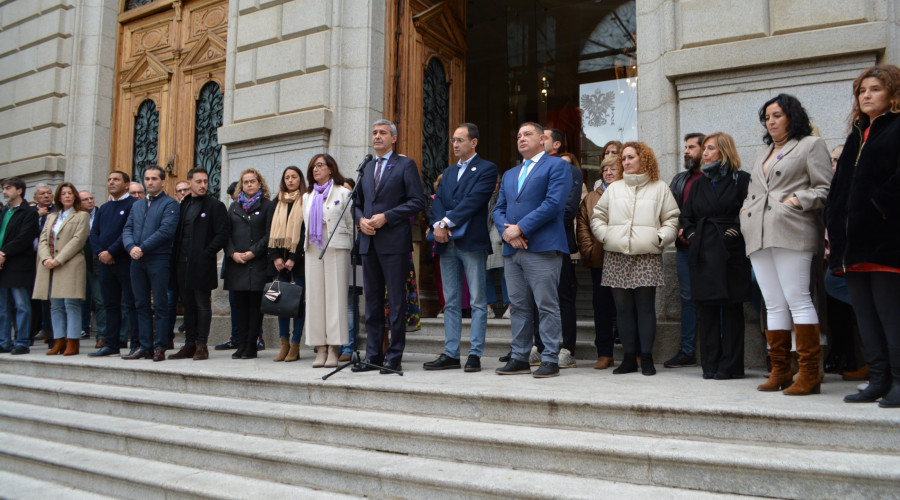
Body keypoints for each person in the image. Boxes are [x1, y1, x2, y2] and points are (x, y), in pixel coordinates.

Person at [741, 93, 832, 396]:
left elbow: (824, 188)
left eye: (777, 115)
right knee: (773, 302)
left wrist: (796, 201)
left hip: (792, 228)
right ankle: (780, 369)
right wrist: (745, 214)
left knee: (798, 297)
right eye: (767, 116)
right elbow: (754, 192)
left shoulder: (810, 145)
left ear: (792, 116)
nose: (771, 121)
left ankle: (808, 372)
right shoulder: (762, 153)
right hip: (759, 232)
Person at [824, 64, 900, 406]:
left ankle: (898, 380)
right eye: (862, 91)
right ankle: (879, 379)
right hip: (851, 244)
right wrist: (833, 219)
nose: (866, 95)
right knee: (865, 316)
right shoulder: (857, 133)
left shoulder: (897, 127)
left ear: (892, 94)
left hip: (885, 239)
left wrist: (878, 206)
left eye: (875, 89)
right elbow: (839, 185)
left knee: (891, 315)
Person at [591, 142, 679, 376]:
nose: (625, 162)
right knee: (622, 309)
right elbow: (597, 217)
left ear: (644, 159)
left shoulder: (660, 188)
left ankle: (646, 358)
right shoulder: (615, 189)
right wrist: (607, 236)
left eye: (630, 157)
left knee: (645, 308)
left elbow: (672, 218)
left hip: (647, 255)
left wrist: (660, 239)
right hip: (617, 255)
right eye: (624, 159)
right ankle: (629, 358)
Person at [492, 122, 571, 378]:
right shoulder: (510, 174)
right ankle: (520, 357)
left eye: (528, 134)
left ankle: (549, 357)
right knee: (518, 306)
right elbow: (498, 208)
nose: (521, 139)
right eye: (518, 136)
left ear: (542, 140)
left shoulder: (557, 165)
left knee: (546, 305)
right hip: (513, 250)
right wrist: (508, 233)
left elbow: (553, 204)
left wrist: (521, 228)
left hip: (543, 247)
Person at [351, 120, 426, 374]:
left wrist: (387, 216)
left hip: (394, 243)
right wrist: (360, 220)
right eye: (374, 133)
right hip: (368, 243)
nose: (377, 137)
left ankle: (394, 356)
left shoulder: (405, 165)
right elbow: (357, 203)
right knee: (371, 303)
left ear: (394, 138)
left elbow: (417, 201)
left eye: (382, 133)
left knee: (395, 302)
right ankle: (373, 355)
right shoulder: (367, 167)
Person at [424, 123, 498, 373]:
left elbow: (473, 201)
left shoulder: (487, 169)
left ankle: (475, 353)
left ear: (474, 142)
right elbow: (438, 203)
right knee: (452, 301)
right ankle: (451, 353)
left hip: (471, 241)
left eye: (460, 140)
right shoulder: (448, 172)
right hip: (446, 243)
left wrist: (445, 222)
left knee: (478, 300)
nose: (455, 144)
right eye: (453, 140)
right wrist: (437, 225)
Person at [680, 132, 752, 379]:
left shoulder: (741, 179)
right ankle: (709, 365)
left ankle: (731, 366)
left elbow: (748, 210)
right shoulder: (699, 183)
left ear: (724, 151)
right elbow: (686, 217)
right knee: (706, 309)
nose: (706, 153)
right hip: (703, 250)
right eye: (706, 149)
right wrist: (691, 235)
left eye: (710, 148)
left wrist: (735, 230)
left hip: (730, 251)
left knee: (732, 309)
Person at [167, 168, 229, 361]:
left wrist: (207, 253)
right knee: (187, 304)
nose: (203, 185)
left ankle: (202, 345)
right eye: (199, 181)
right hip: (182, 263)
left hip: (202, 263)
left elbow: (222, 234)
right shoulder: (184, 204)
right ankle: (189, 344)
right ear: (190, 183)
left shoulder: (215, 206)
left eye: (205, 181)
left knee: (202, 304)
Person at [122, 166, 180, 362]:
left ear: (163, 182)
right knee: (140, 304)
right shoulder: (137, 205)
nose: (150, 182)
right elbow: (127, 228)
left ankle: (160, 346)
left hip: (158, 259)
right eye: (147, 179)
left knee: (161, 305)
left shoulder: (170, 204)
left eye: (154, 179)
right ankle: (144, 346)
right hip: (136, 260)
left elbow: (166, 231)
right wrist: (131, 247)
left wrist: (142, 247)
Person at [536, 128, 583, 369]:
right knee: (535, 296)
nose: (537, 140)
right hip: (531, 243)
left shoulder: (569, 170)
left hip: (557, 241)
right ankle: (538, 345)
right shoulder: (531, 169)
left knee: (562, 295)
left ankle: (567, 348)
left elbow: (568, 208)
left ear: (556, 145)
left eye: (543, 137)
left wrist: (535, 226)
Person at [302, 154, 354, 368]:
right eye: (313, 166)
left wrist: (348, 245)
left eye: (320, 165)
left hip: (336, 247)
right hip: (313, 247)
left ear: (331, 169)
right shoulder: (307, 196)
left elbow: (351, 223)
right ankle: (320, 348)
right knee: (315, 299)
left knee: (336, 298)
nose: (316, 169)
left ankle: (334, 348)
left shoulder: (343, 192)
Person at [33, 182, 91, 356]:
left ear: (74, 196)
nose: (66, 196)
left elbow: (78, 240)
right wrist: (46, 258)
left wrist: (57, 260)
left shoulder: (81, 216)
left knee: (71, 302)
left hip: (69, 263)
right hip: (49, 264)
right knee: (55, 304)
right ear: (59, 197)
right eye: (63, 193)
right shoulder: (52, 216)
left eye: (70, 193)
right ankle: (59, 340)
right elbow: (43, 239)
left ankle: (73, 341)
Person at [664, 133, 705, 369]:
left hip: (710, 248)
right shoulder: (680, 180)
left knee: (715, 298)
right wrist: (678, 228)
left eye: (692, 147)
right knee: (687, 299)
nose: (686, 151)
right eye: (685, 147)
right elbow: (669, 210)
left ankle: (716, 348)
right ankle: (687, 350)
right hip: (683, 249)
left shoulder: (715, 177)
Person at [224, 168, 274, 360]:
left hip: (257, 264)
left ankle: (251, 345)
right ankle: (241, 343)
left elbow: (269, 235)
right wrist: (232, 253)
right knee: (239, 308)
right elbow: (226, 234)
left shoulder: (268, 206)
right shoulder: (234, 207)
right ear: (241, 185)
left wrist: (253, 252)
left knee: (255, 308)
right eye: (245, 182)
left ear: (259, 183)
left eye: (253, 181)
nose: (249, 185)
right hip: (237, 264)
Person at [88, 171, 139, 357]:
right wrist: (101, 252)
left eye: (116, 179)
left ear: (127, 185)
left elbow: (129, 231)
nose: (111, 182)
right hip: (105, 264)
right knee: (110, 304)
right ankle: (111, 343)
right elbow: (94, 233)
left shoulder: (134, 205)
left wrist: (111, 251)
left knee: (132, 303)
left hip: (125, 262)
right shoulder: (104, 208)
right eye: (109, 179)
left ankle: (135, 343)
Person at [577, 155, 618, 369]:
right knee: (601, 308)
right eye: (605, 170)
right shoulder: (591, 197)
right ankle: (604, 353)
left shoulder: (628, 193)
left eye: (613, 169)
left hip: (623, 259)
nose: (608, 173)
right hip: (599, 260)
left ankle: (634, 351)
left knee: (625, 308)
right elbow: (582, 226)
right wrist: (589, 250)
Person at [268, 166, 307, 362]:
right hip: (278, 264)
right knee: (279, 304)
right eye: (287, 177)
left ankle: (295, 345)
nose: (291, 180)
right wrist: (276, 257)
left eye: (294, 177)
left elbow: (306, 233)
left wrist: (293, 257)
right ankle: (283, 343)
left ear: (300, 179)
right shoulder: (277, 202)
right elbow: (269, 233)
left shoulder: (306, 200)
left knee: (298, 305)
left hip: (298, 263)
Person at [0, 178, 39, 354]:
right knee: (3, 306)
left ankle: (22, 341)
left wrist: (3, 253)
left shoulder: (29, 212)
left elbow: (24, 237)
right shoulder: (4, 212)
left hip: (18, 264)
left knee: (21, 305)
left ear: (20, 190)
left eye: (8, 188)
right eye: (3, 188)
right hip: (2, 264)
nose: (4, 191)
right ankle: (4, 341)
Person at [79, 190, 106, 345]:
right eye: (85, 199)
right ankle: (78, 330)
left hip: (97, 263)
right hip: (78, 264)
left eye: (91, 198)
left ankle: (102, 334)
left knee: (100, 299)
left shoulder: (101, 213)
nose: (90, 201)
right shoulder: (76, 217)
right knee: (78, 300)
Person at [30, 184, 55, 342]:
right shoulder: (31, 213)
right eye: (42, 194)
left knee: (49, 298)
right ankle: (32, 330)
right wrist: (36, 217)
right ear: (35, 198)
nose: (46, 196)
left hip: (49, 259)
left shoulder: (56, 212)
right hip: (29, 259)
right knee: (33, 296)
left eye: (49, 193)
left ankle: (49, 332)